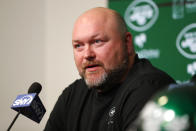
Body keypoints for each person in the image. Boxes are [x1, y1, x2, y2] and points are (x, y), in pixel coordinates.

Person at [44, 7, 175, 131]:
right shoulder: (72, 95)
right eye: (78, 45)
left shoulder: (150, 88)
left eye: (97, 42)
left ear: (127, 43)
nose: (87, 54)